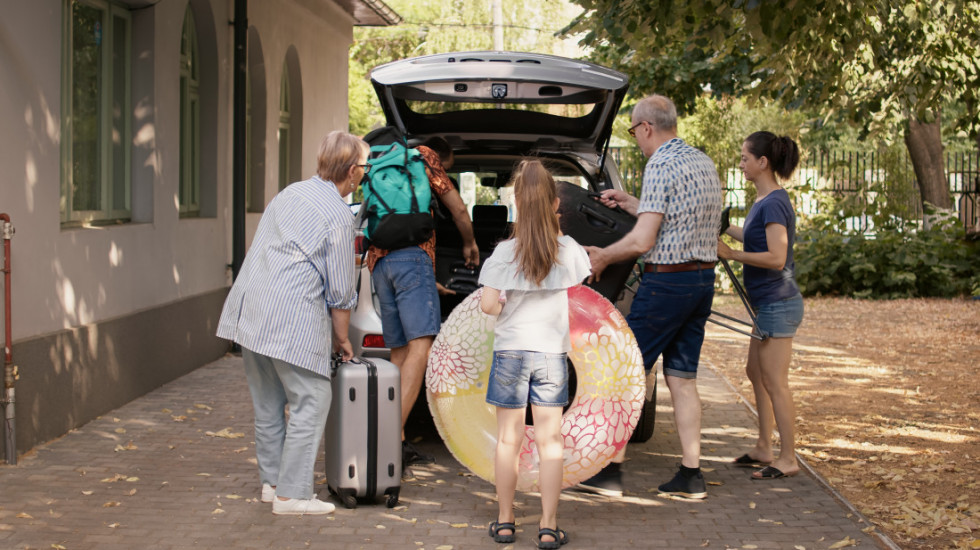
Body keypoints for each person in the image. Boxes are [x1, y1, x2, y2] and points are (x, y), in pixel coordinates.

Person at [577, 94, 722, 499]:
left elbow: (643, 240)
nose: (637, 139)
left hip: (667, 285)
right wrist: (631, 203)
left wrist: (602, 256)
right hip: (700, 282)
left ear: (645, 127)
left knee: (625, 371)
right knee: (682, 378)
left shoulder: (659, 163)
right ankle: (691, 475)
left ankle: (608, 472)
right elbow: (673, 216)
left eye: (634, 132)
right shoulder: (701, 161)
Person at [216, 131, 367, 515]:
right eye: (363, 168)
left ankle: (271, 484)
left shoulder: (290, 193)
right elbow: (340, 289)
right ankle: (292, 495)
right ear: (351, 172)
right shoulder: (337, 214)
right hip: (289, 317)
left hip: (251, 309)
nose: (363, 175)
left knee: (268, 405)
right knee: (313, 399)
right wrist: (342, 339)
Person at [479, 159, 591, 549]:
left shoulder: (503, 253)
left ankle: (506, 521)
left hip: (511, 353)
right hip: (550, 357)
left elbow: (489, 306)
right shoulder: (568, 250)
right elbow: (580, 281)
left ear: (517, 201)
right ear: (554, 202)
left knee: (508, 441)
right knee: (550, 442)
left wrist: (507, 298)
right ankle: (547, 525)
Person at [364, 136, 480, 468]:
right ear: (442, 156)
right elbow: (457, 207)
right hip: (412, 258)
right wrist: (470, 243)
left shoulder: (388, 160)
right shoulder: (427, 158)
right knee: (422, 347)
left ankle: (396, 443)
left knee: (399, 351)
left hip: (379, 263)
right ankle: (386, 438)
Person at [718, 131, 804, 480]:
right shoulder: (764, 200)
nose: (741, 164)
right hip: (768, 304)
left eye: (744, 158)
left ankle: (788, 457)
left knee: (775, 381)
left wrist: (731, 253)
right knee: (755, 373)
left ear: (762, 162)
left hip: (778, 304)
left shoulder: (773, 203)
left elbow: (776, 256)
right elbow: (756, 238)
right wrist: (723, 229)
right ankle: (764, 446)